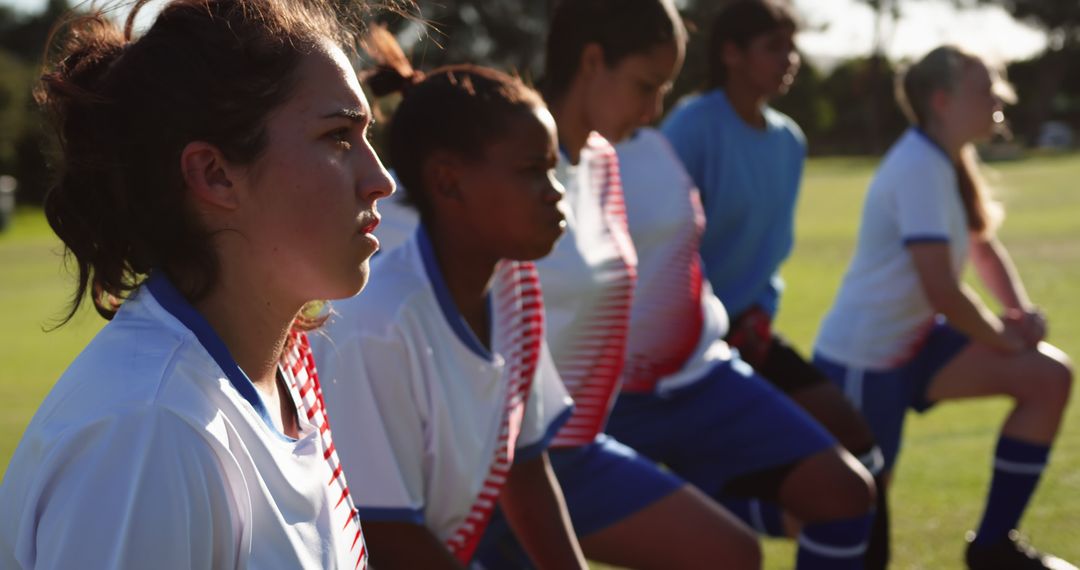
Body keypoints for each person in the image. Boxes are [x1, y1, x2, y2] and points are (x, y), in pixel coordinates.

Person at [480, 1, 875, 568]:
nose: (656, 107)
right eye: (646, 85)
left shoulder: (601, 159)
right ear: (592, 62)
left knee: (765, 536)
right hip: (510, 452)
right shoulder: (503, 168)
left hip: (615, 417)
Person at [0, 1, 394, 568]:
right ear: (214, 174)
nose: (380, 179)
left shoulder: (275, 372)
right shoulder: (149, 432)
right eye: (338, 136)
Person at [310, 30, 588, 570]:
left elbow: (525, 470)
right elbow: (383, 536)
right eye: (533, 171)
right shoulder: (377, 323)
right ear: (448, 183)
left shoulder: (514, 292)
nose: (556, 191)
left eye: (553, 168)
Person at [812, 45, 1075, 570]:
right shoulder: (917, 165)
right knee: (859, 516)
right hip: (865, 360)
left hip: (918, 343)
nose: (998, 96)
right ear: (942, 101)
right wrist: (1005, 338)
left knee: (1047, 377)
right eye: (984, 88)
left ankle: (994, 548)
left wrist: (1019, 314)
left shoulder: (949, 158)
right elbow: (944, 292)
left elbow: (982, 246)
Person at [660, 2, 892, 566]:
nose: (789, 60)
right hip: (687, 340)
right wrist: (706, 322)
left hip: (752, 331)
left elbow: (767, 254)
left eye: (791, 46)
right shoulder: (692, 125)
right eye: (774, 47)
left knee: (857, 442)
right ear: (731, 54)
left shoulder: (789, 140)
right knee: (750, 475)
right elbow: (658, 242)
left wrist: (754, 317)